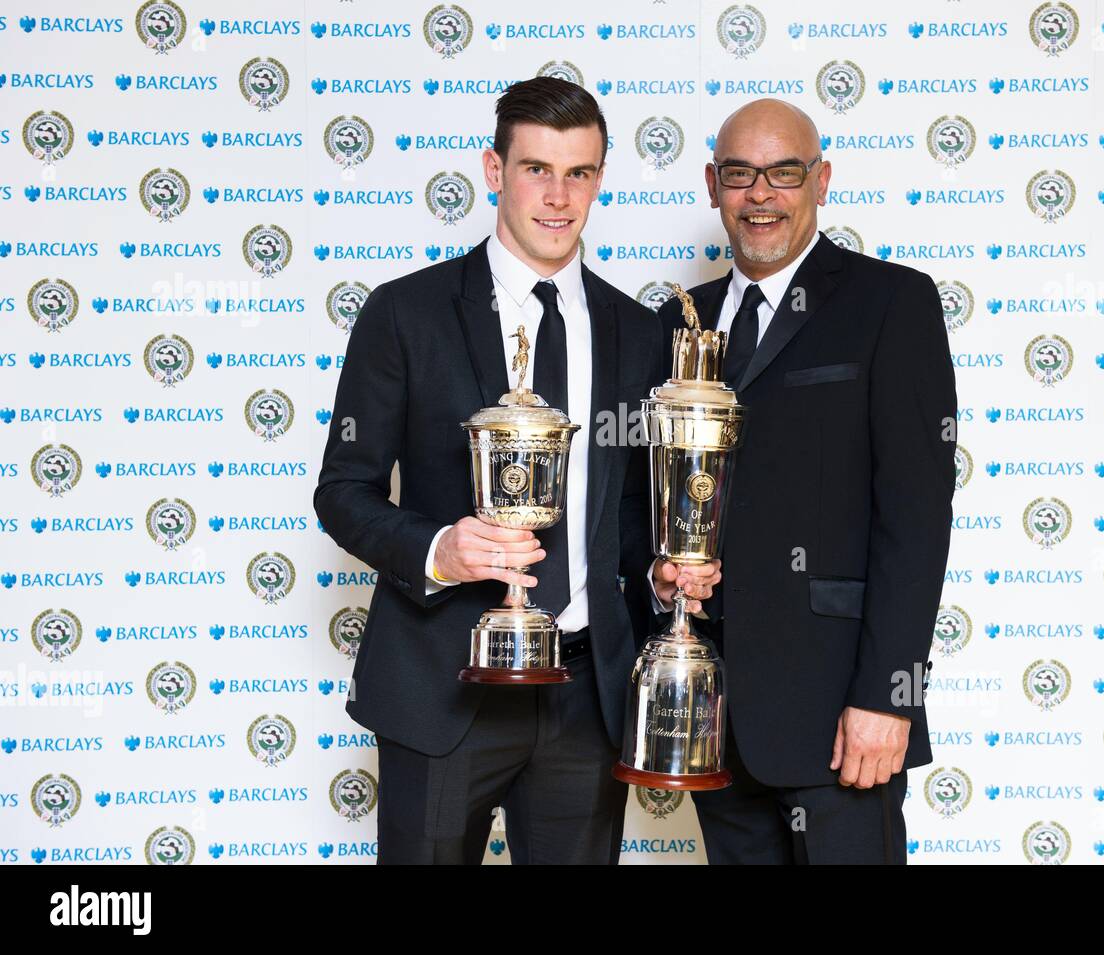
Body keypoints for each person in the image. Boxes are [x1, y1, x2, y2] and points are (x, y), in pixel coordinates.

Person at [314, 77, 715, 864]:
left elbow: (626, 511)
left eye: (579, 173)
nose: (558, 196)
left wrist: (660, 571)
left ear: (600, 178)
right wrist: (439, 549)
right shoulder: (406, 313)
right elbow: (342, 491)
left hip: (583, 693)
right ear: (495, 171)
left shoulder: (637, 330)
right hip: (443, 680)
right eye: (537, 169)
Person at [653, 99, 958, 864]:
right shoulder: (673, 327)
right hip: (715, 720)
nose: (761, 194)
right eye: (738, 174)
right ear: (711, 185)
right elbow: (640, 502)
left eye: (783, 172)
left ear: (820, 179)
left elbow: (917, 518)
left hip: (840, 719)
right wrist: (660, 573)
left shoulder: (891, 302)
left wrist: (888, 696)